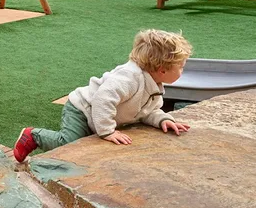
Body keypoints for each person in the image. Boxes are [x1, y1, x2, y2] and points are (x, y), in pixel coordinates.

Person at [13, 29, 193, 163]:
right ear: (162, 70)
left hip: (99, 114)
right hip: (83, 109)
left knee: (86, 150)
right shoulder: (131, 77)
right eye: (181, 67)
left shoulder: (154, 84)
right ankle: (33, 135)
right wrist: (107, 131)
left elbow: (146, 111)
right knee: (69, 143)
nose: (183, 70)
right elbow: (102, 99)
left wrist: (162, 120)